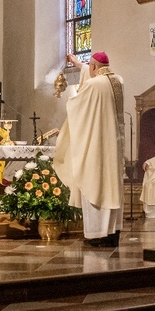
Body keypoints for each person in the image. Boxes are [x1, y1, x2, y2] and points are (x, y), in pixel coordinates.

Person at [53, 51, 124, 247]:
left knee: (95, 185)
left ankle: (97, 234)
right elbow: (94, 77)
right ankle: (113, 232)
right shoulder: (118, 80)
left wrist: (69, 101)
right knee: (112, 188)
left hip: (97, 146)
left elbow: (77, 105)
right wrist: (78, 64)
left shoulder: (94, 84)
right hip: (115, 146)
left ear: (94, 67)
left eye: (89, 67)